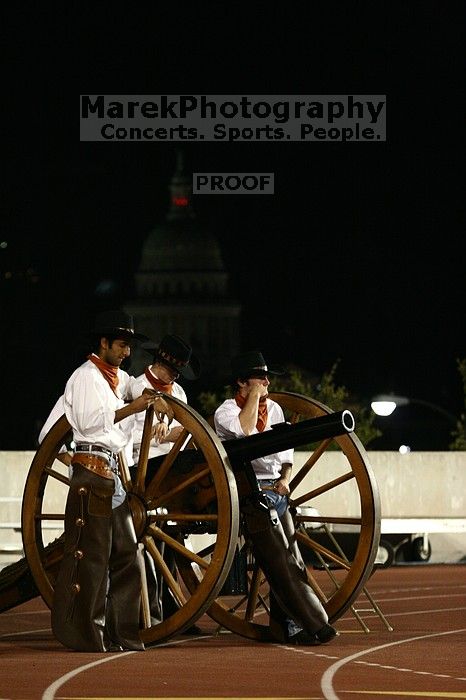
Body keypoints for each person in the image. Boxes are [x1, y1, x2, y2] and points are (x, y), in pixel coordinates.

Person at [49, 310, 156, 652]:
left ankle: (122, 632)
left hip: (113, 476)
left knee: (127, 553)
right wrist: (134, 407)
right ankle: (87, 636)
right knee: (93, 559)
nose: (127, 353)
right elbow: (94, 423)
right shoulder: (85, 378)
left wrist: (161, 379)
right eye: (122, 345)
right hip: (91, 471)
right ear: (104, 343)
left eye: (129, 346)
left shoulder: (116, 378)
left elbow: (139, 386)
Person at [214, 350, 337, 646]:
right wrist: (255, 397)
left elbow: (287, 454)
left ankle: (287, 627)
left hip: (276, 491)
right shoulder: (226, 412)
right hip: (248, 494)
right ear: (242, 382)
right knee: (280, 560)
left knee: (292, 556)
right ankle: (316, 624)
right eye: (260, 378)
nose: (268, 382)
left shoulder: (276, 411)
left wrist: (285, 479)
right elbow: (243, 430)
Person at [128, 334, 202, 629]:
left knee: (172, 542)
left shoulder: (179, 394)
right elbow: (126, 433)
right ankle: (152, 614)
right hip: (140, 472)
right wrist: (155, 431)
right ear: (159, 363)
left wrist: (169, 431)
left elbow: (185, 431)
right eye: (172, 371)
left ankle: (174, 611)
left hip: (171, 472)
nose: (173, 377)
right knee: (151, 548)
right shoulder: (134, 387)